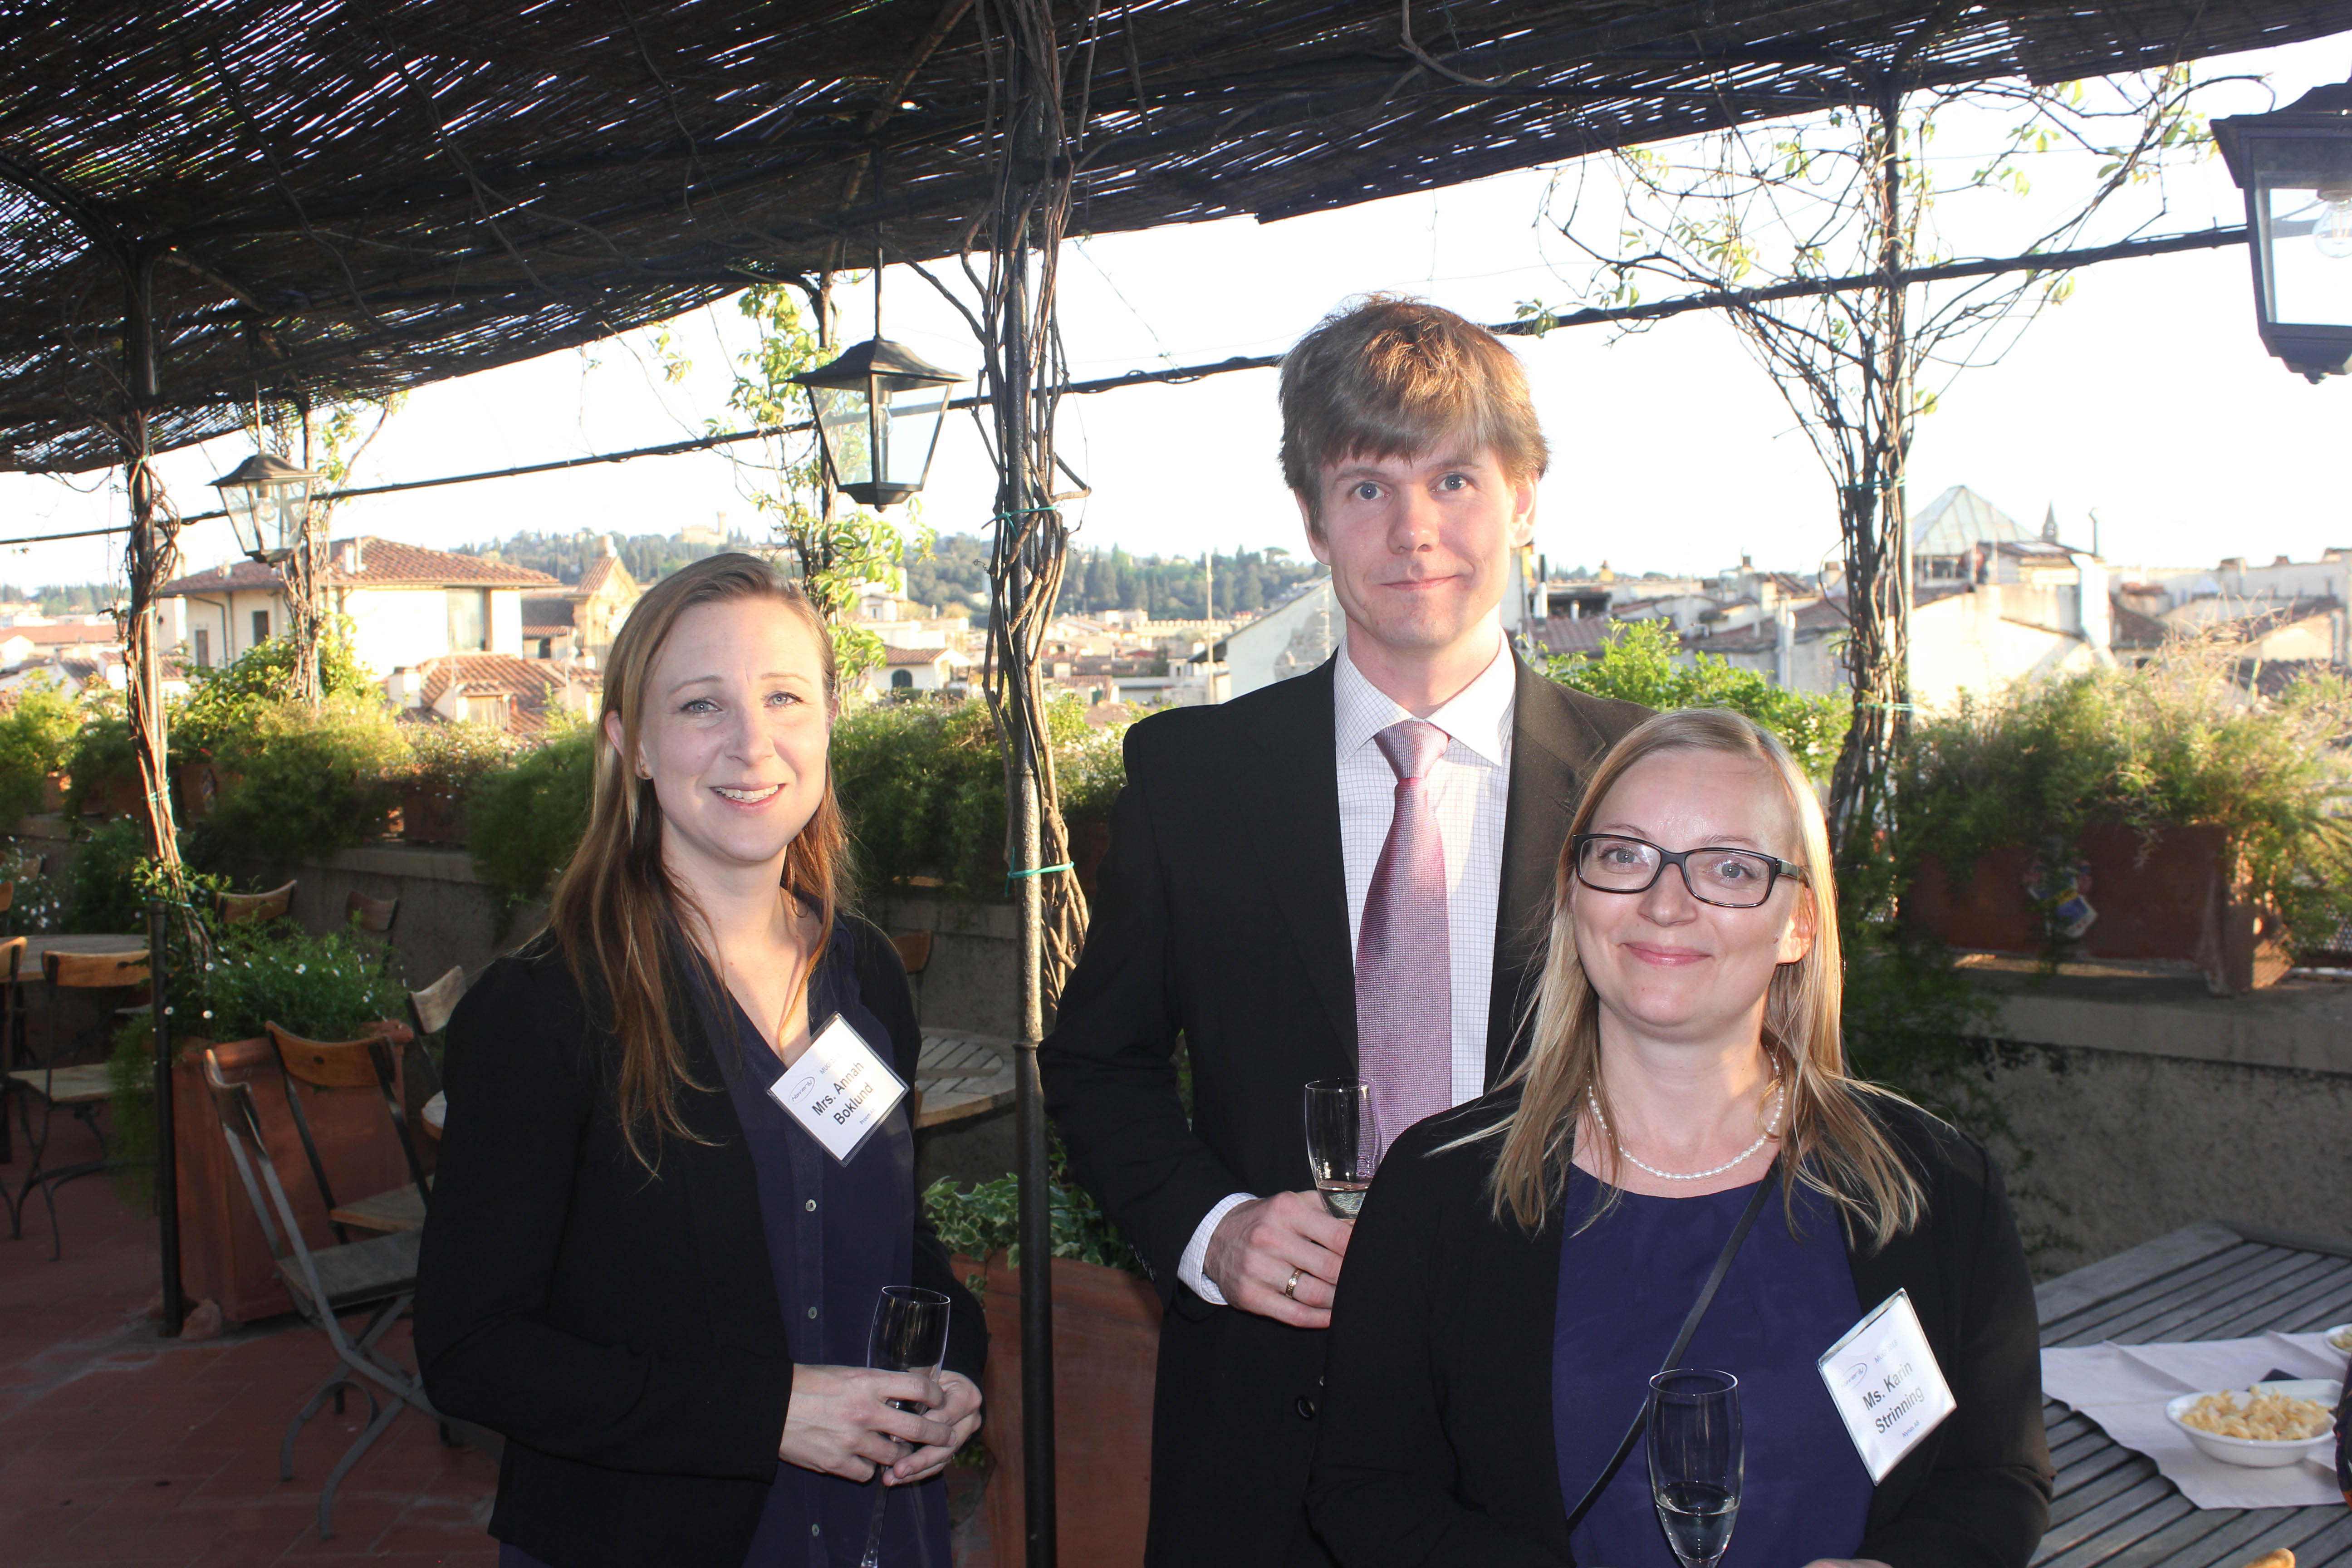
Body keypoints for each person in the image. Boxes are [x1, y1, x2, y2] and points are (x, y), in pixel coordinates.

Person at [1040, 296, 1649, 1567]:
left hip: (1567, 1422)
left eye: (1454, 480)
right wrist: (1213, 1230)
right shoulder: (1192, 781)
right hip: (1264, 1438)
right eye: (1367, 487)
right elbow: (1099, 1062)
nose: (1413, 530)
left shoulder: (1635, 783)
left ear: (1525, 499)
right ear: (1314, 520)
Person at [1306, 709, 2052, 1568]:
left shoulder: (1934, 1184)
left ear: (1800, 923)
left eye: (1730, 868)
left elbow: (1997, 1477)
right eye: (1625, 856)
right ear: (1575, 889)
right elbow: (1368, 1489)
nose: (1665, 904)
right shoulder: (1438, 1188)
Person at [415, 554, 985, 1568]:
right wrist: (767, 1414)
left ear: (828, 722)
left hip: (875, 1530)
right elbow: (473, 1351)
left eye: (784, 698)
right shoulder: (544, 1012)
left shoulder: (866, 977)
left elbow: (898, 1240)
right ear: (630, 745)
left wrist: (957, 1370)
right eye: (700, 705)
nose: (751, 744)